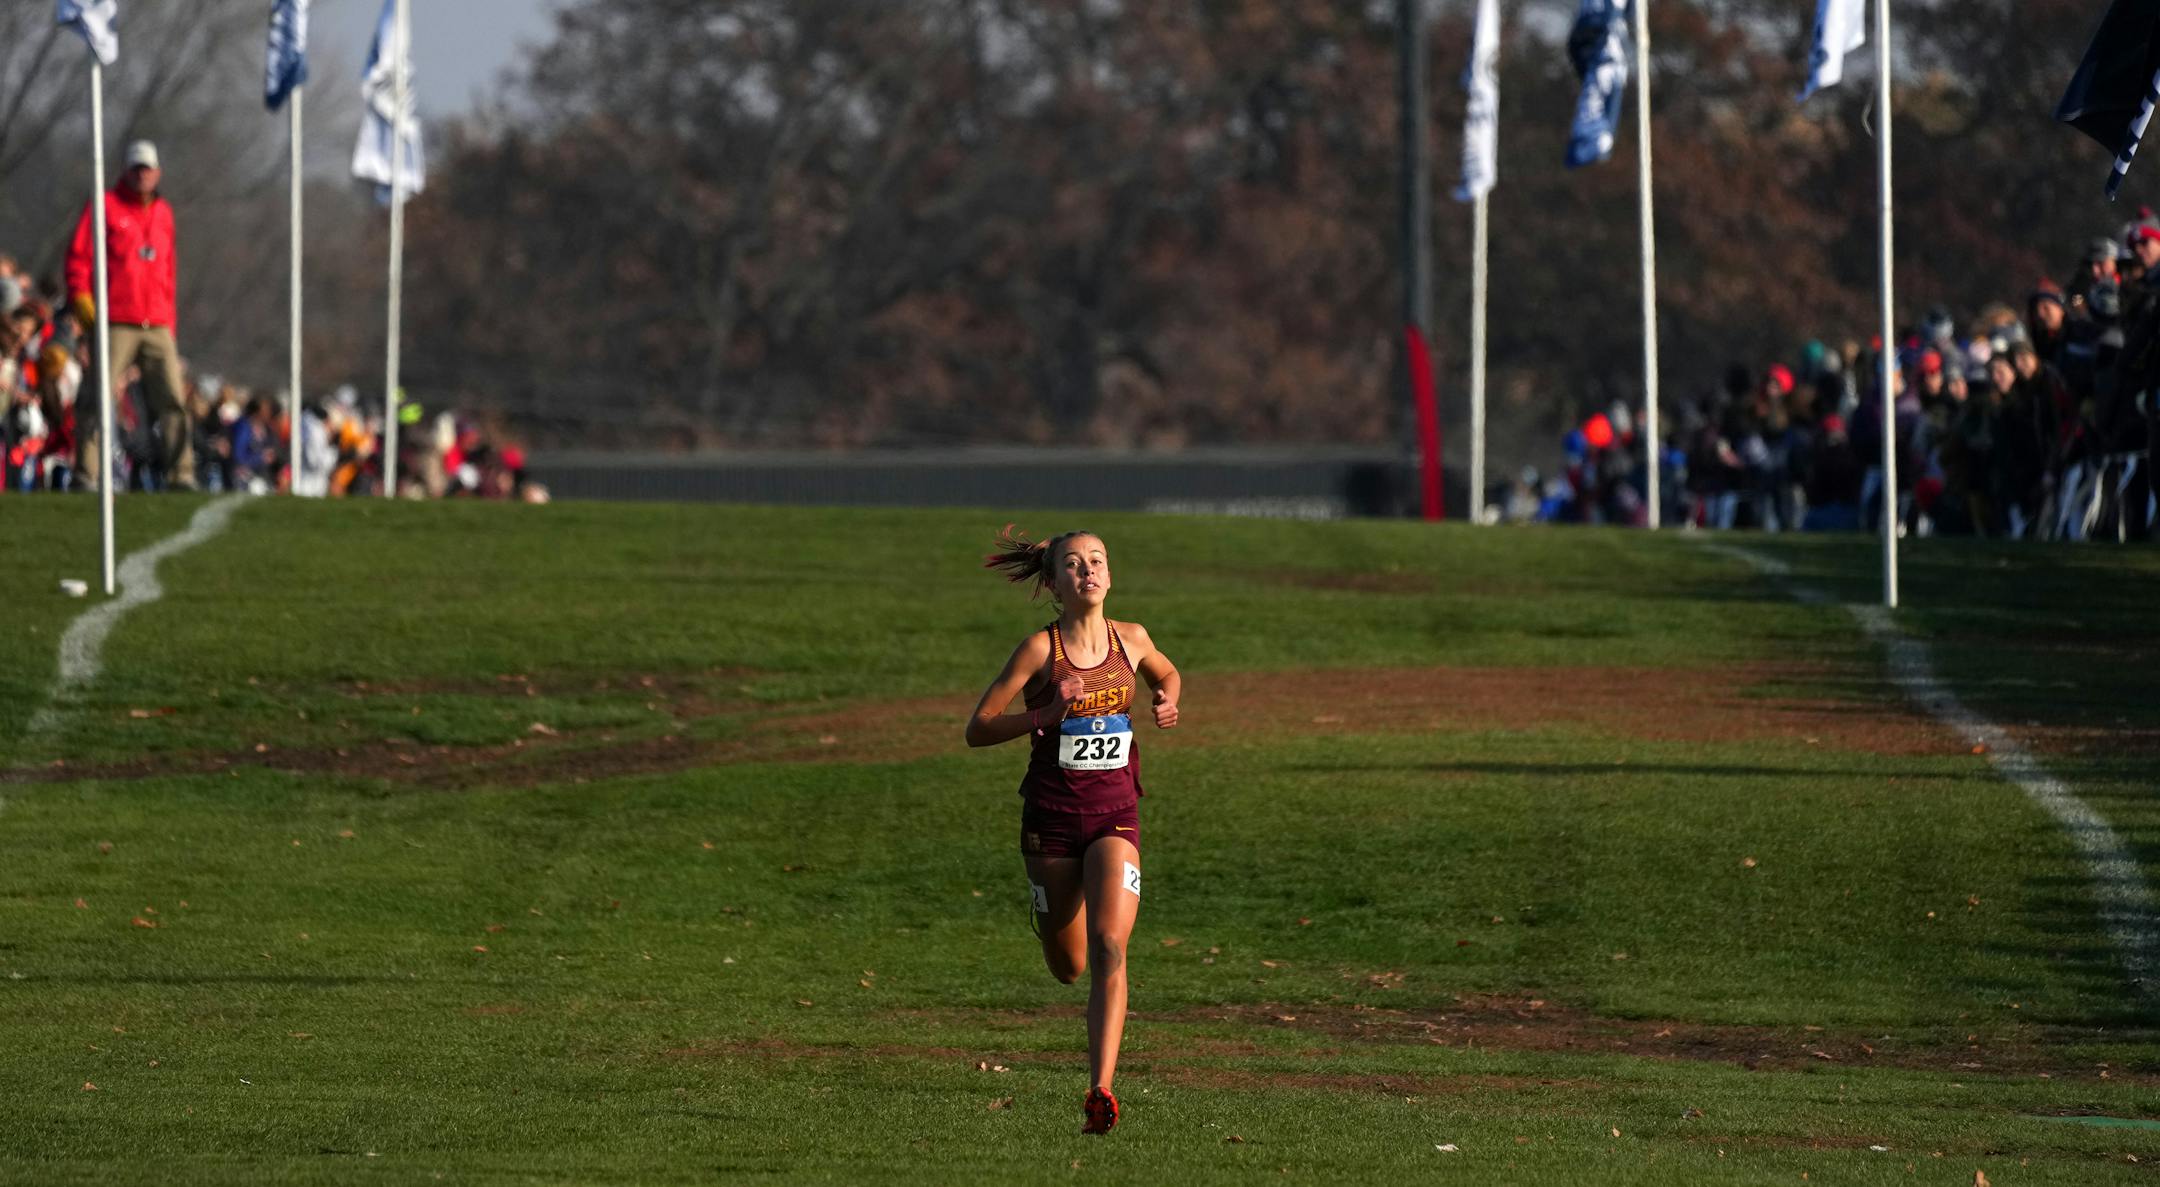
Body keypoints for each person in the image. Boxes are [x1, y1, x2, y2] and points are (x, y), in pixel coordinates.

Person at [965, 527, 1181, 1136]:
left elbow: (1168, 673)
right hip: (1051, 822)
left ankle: (1100, 1088)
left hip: (1116, 816)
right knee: (1068, 966)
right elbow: (978, 728)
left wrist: (1167, 699)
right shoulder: (1039, 650)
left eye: (1097, 560)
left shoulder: (1132, 639)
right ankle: (1062, 903)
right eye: (1073, 564)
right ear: (1055, 584)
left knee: (1111, 944)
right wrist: (1045, 714)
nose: (1088, 570)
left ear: (1109, 574)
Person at [65, 139, 190, 490]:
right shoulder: (105, 205)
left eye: (147, 169)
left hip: (157, 321)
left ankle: (182, 474)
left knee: (173, 399)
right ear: (126, 171)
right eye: (136, 168)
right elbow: (78, 257)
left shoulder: (164, 213)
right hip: (116, 319)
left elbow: (169, 272)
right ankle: (86, 472)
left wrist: (171, 323)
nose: (142, 175)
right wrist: (81, 297)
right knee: (96, 396)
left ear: (157, 173)